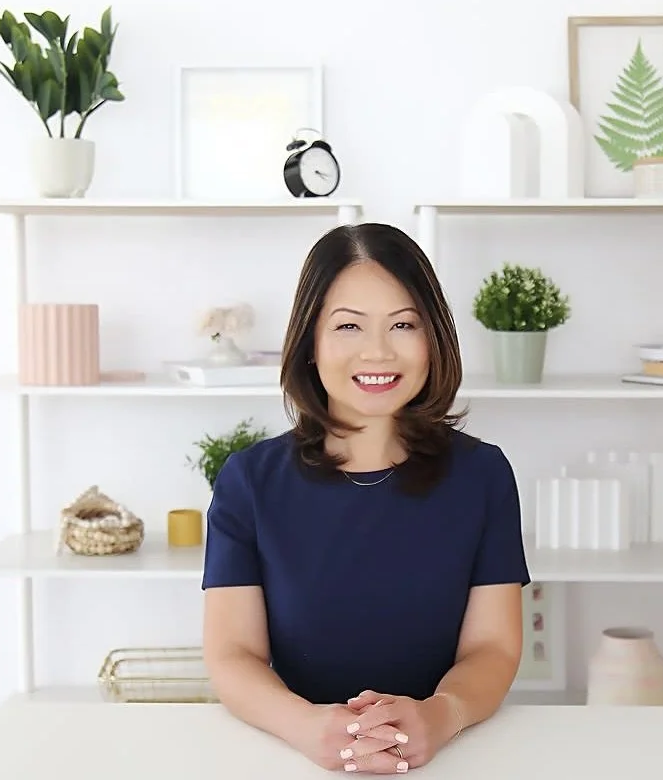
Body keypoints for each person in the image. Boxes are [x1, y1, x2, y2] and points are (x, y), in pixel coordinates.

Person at [201, 222, 531, 774]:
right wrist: (306, 726)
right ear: (310, 343)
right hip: (295, 759)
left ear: (433, 339)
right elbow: (233, 655)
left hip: (450, 759)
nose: (377, 352)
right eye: (349, 326)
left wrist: (441, 716)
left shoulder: (483, 475)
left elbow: (493, 649)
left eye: (403, 324)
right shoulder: (249, 482)